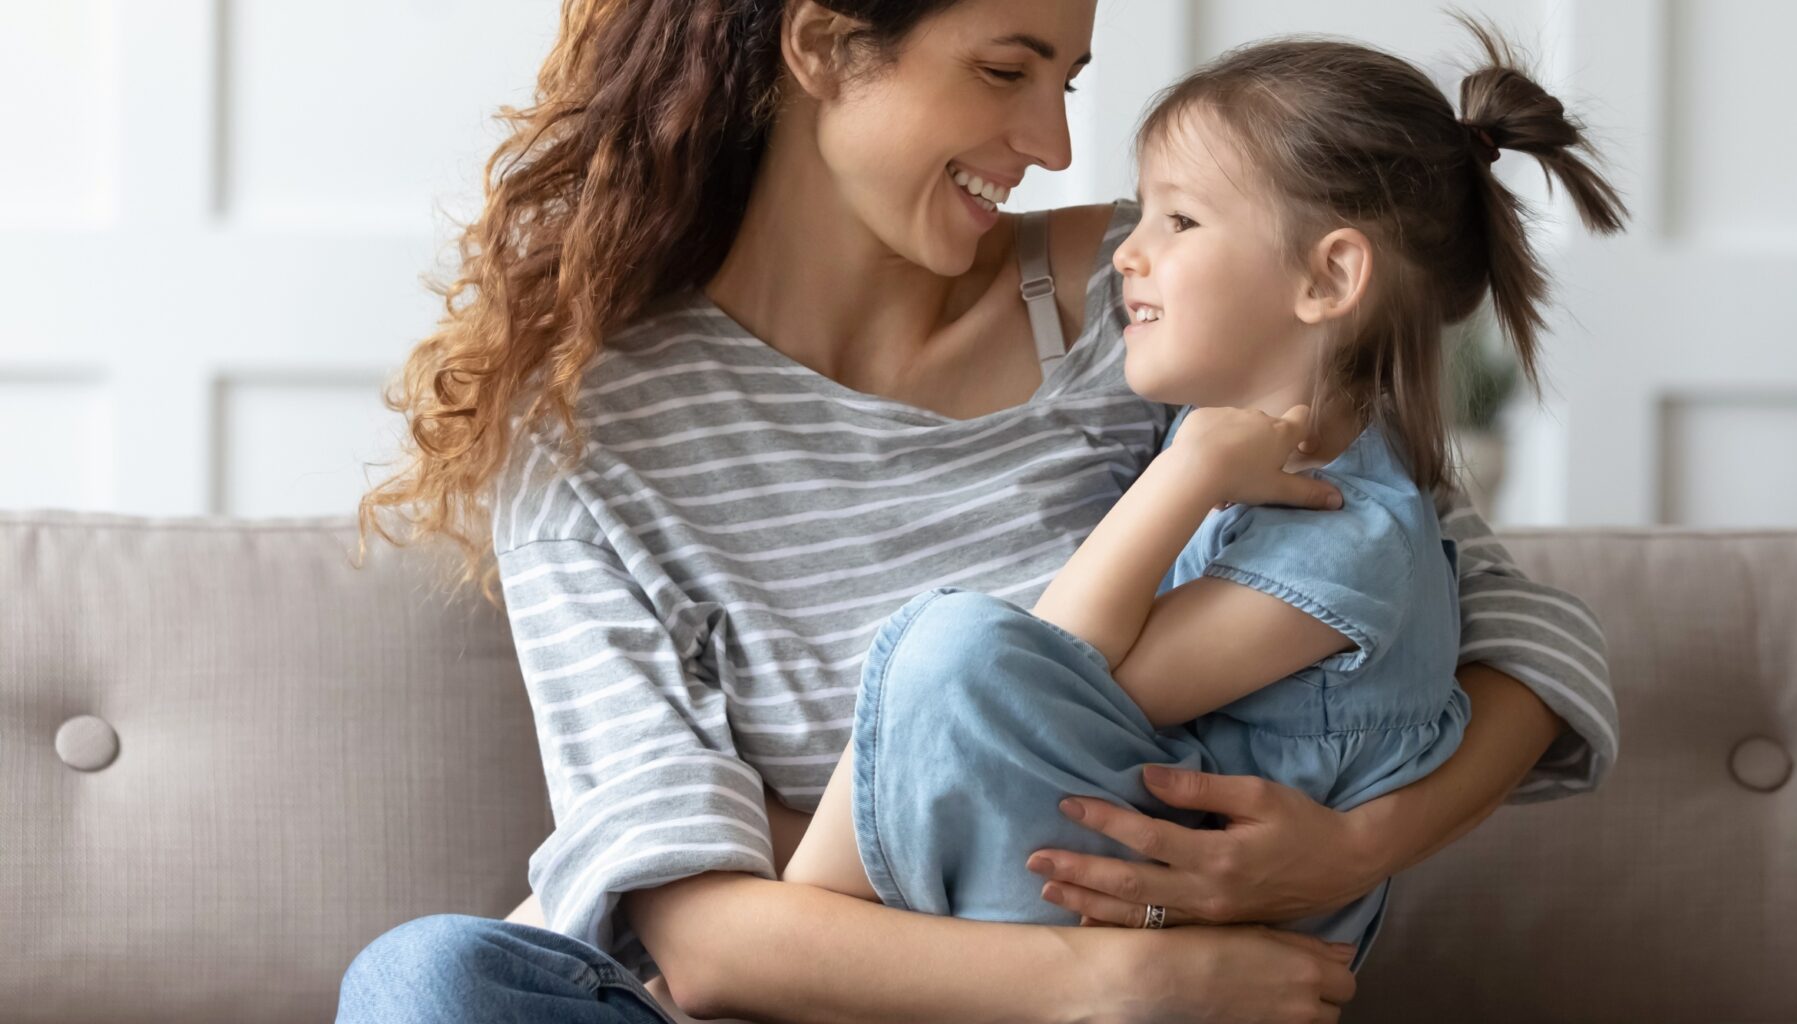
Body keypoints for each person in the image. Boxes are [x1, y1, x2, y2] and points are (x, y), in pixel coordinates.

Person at [337, 2, 1618, 1022]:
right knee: (426, 985)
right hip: (916, 997)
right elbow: (704, 938)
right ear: (825, 43)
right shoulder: (586, 438)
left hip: (1101, 961)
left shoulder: (1156, 306)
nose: (1057, 143)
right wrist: (1123, 985)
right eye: (1009, 70)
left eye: (1067, 77)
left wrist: (1347, 852)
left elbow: (1498, 616)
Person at [780, 24, 1626, 973]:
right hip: (1108, 887)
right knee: (942, 654)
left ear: (1329, 276)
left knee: (952, 654)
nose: (1126, 256)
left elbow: (1053, 674)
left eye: (1175, 222)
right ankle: (802, 948)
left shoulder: (1350, 539)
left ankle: (802, 936)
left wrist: (1184, 479)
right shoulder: (1237, 437)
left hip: (1191, 933)